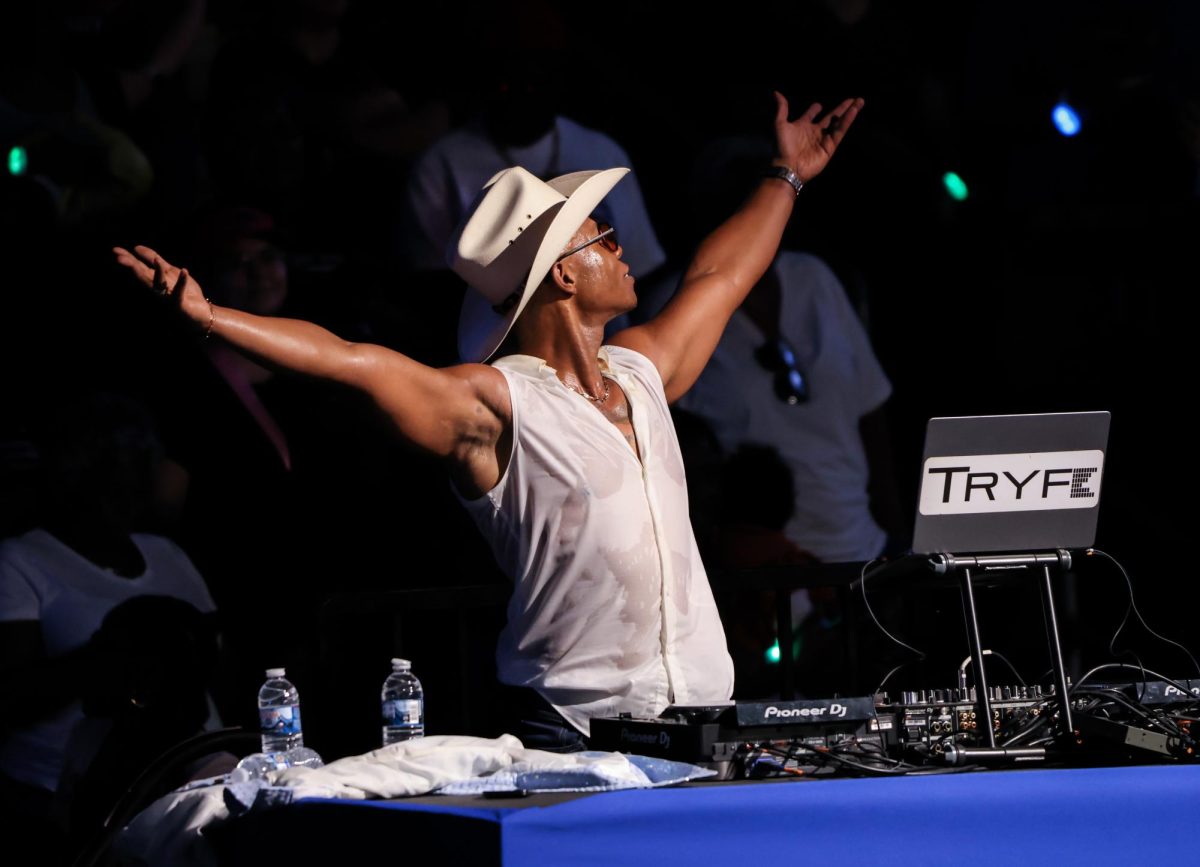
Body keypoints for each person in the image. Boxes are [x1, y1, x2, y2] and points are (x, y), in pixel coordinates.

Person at [114, 92, 862, 749]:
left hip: (700, 720)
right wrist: (213, 317)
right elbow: (352, 359)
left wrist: (786, 176)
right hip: (577, 734)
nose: (623, 244)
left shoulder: (639, 370)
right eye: (604, 236)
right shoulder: (498, 404)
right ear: (563, 272)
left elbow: (720, 276)